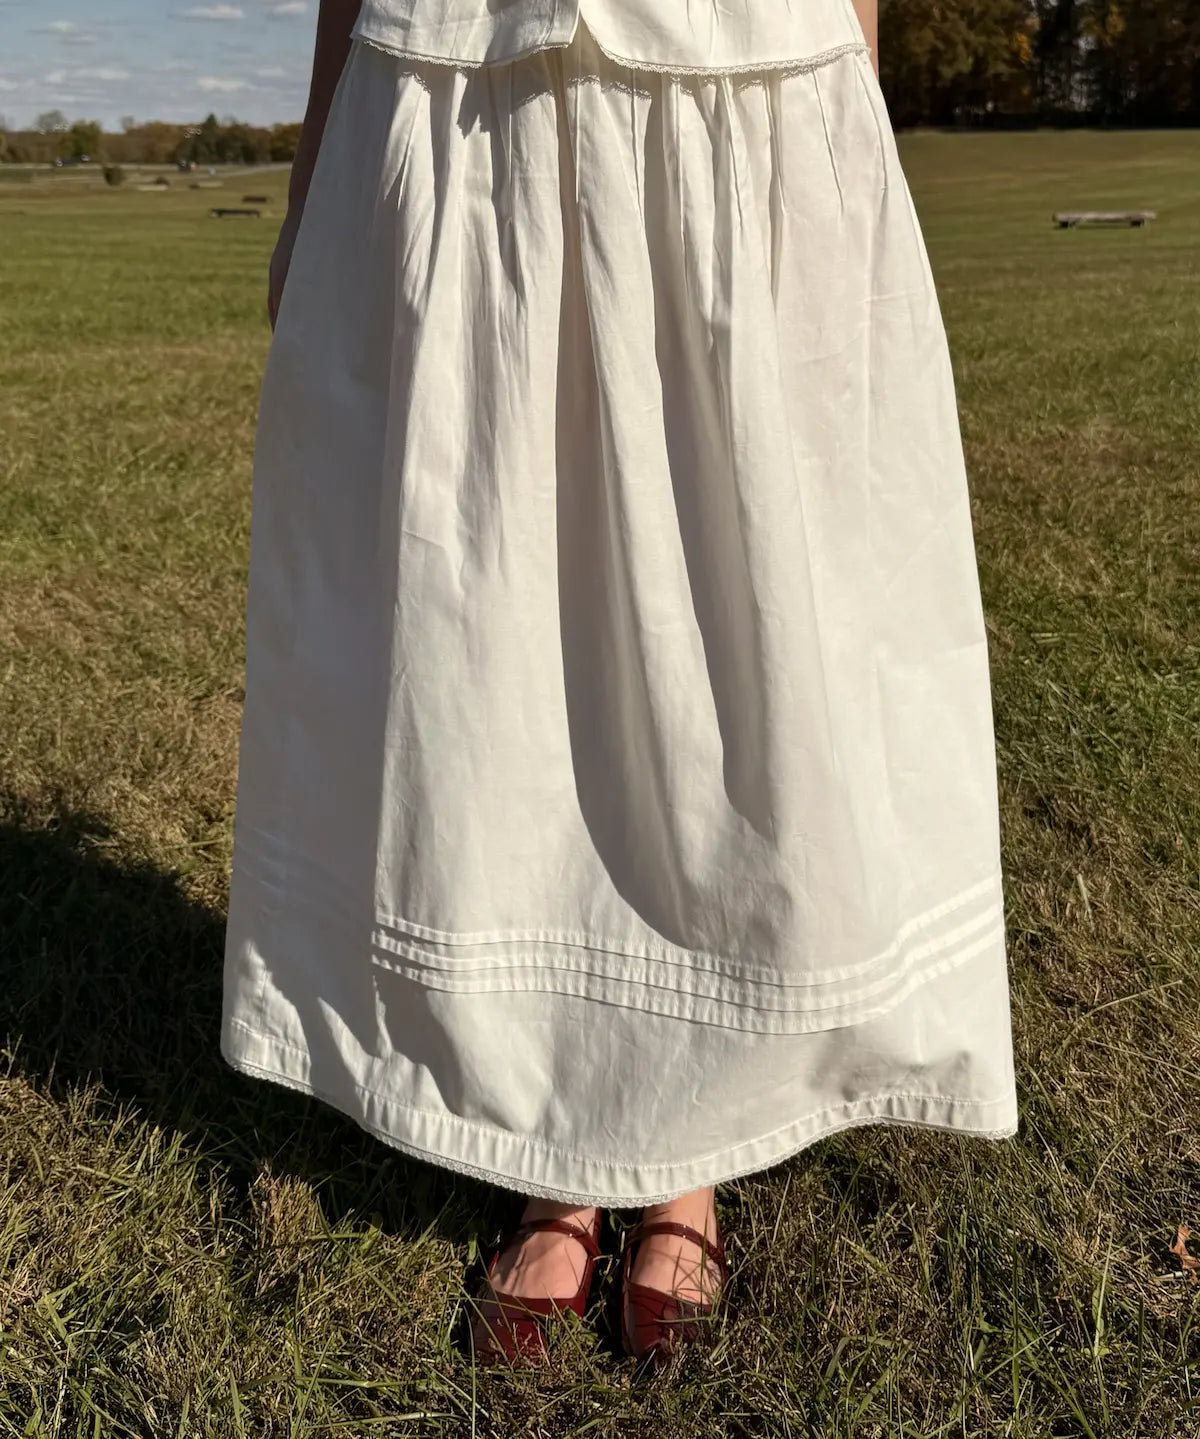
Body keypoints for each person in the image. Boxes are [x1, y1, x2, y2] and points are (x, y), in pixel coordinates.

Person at [221, 0, 1019, 1369]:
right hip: (466, 95)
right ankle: (560, 1155)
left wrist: (852, 119)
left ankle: (690, 1150)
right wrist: (313, 180)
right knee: (489, 640)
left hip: (744, 84)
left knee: (741, 650)